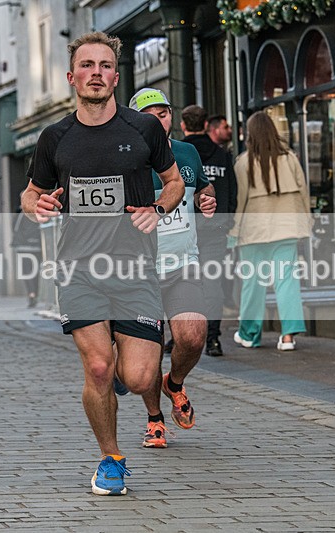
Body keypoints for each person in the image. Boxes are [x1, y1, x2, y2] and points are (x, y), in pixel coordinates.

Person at [21, 32, 184, 496]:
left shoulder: (144, 130)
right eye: (87, 65)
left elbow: (172, 183)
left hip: (135, 270)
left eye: (105, 65)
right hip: (78, 270)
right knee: (97, 368)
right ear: (73, 77)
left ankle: (124, 371)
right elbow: (30, 193)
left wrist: (158, 208)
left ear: (116, 75)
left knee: (137, 377)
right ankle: (111, 460)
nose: (97, 73)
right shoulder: (55, 137)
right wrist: (37, 205)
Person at [127, 88, 215, 449]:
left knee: (194, 335)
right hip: (139, 270)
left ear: (171, 117)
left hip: (183, 264)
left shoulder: (187, 152)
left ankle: (174, 384)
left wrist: (205, 200)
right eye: (149, 115)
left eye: (162, 113)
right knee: (145, 354)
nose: (157, 120)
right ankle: (154, 419)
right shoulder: (124, 158)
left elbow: (202, 191)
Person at [229, 111, 312, 351]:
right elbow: (303, 192)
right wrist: (307, 220)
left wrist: (233, 231)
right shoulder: (289, 158)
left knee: (252, 283)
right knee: (286, 281)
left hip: (253, 231)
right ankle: (288, 337)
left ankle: (250, 334)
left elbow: (240, 201)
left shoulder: (243, 163)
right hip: (287, 228)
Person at [181, 104, 238, 357]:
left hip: (183, 229)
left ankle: (181, 336)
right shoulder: (222, 155)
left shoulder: (177, 154)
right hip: (215, 228)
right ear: (206, 125)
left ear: (183, 125)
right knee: (213, 283)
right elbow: (233, 193)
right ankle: (212, 337)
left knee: (181, 283)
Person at [11, 208, 42, 308]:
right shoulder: (40, 213)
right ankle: (35, 294)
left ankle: (31, 293)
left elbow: (15, 228)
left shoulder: (21, 214)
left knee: (26, 271)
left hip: (23, 247)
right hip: (37, 247)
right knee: (35, 272)